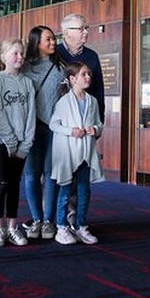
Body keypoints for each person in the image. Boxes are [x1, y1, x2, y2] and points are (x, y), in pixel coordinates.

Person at [56, 14, 105, 227]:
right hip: (61, 128)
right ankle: (54, 220)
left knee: (82, 176)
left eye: (87, 27)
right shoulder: (54, 54)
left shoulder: (92, 56)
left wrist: (99, 124)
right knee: (60, 176)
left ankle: (76, 218)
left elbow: (99, 91)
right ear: (66, 33)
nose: (86, 31)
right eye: (81, 28)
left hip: (86, 127)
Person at [0, 38, 36, 247]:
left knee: (15, 184)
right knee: (2, 182)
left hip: (22, 142)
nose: (20, 57)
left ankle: (13, 228)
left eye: (22, 53)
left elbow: (31, 114)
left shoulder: (27, 83)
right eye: (15, 53)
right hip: (1, 141)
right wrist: (10, 141)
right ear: (4, 56)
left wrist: (25, 143)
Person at [49, 62, 104, 245]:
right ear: (72, 79)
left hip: (85, 155)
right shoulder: (63, 102)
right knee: (65, 191)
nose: (88, 77)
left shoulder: (92, 101)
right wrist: (71, 131)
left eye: (89, 74)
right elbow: (54, 124)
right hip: (68, 154)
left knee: (83, 192)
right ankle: (61, 227)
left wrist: (94, 129)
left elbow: (99, 124)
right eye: (83, 74)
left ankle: (81, 226)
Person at [20, 26, 65, 240]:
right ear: (36, 42)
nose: (53, 42)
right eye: (48, 39)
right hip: (30, 127)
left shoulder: (60, 68)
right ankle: (36, 219)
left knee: (50, 174)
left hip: (53, 127)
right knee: (31, 174)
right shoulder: (24, 67)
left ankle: (49, 221)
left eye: (53, 38)